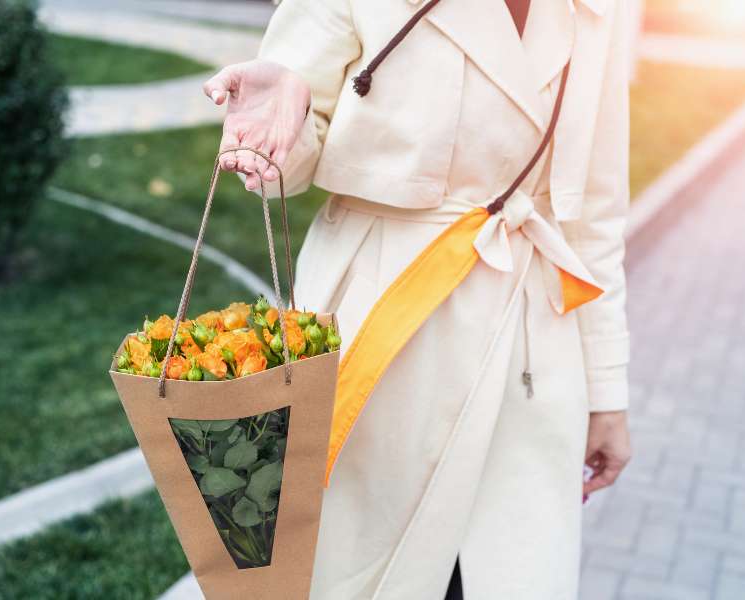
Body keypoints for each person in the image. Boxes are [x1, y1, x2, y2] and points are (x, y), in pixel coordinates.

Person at [203, 0, 632, 598]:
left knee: (506, 570)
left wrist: (606, 392)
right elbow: (296, 149)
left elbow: (595, 213)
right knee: (362, 570)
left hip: (530, 351)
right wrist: (279, 123)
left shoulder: (595, 10)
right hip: (382, 326)